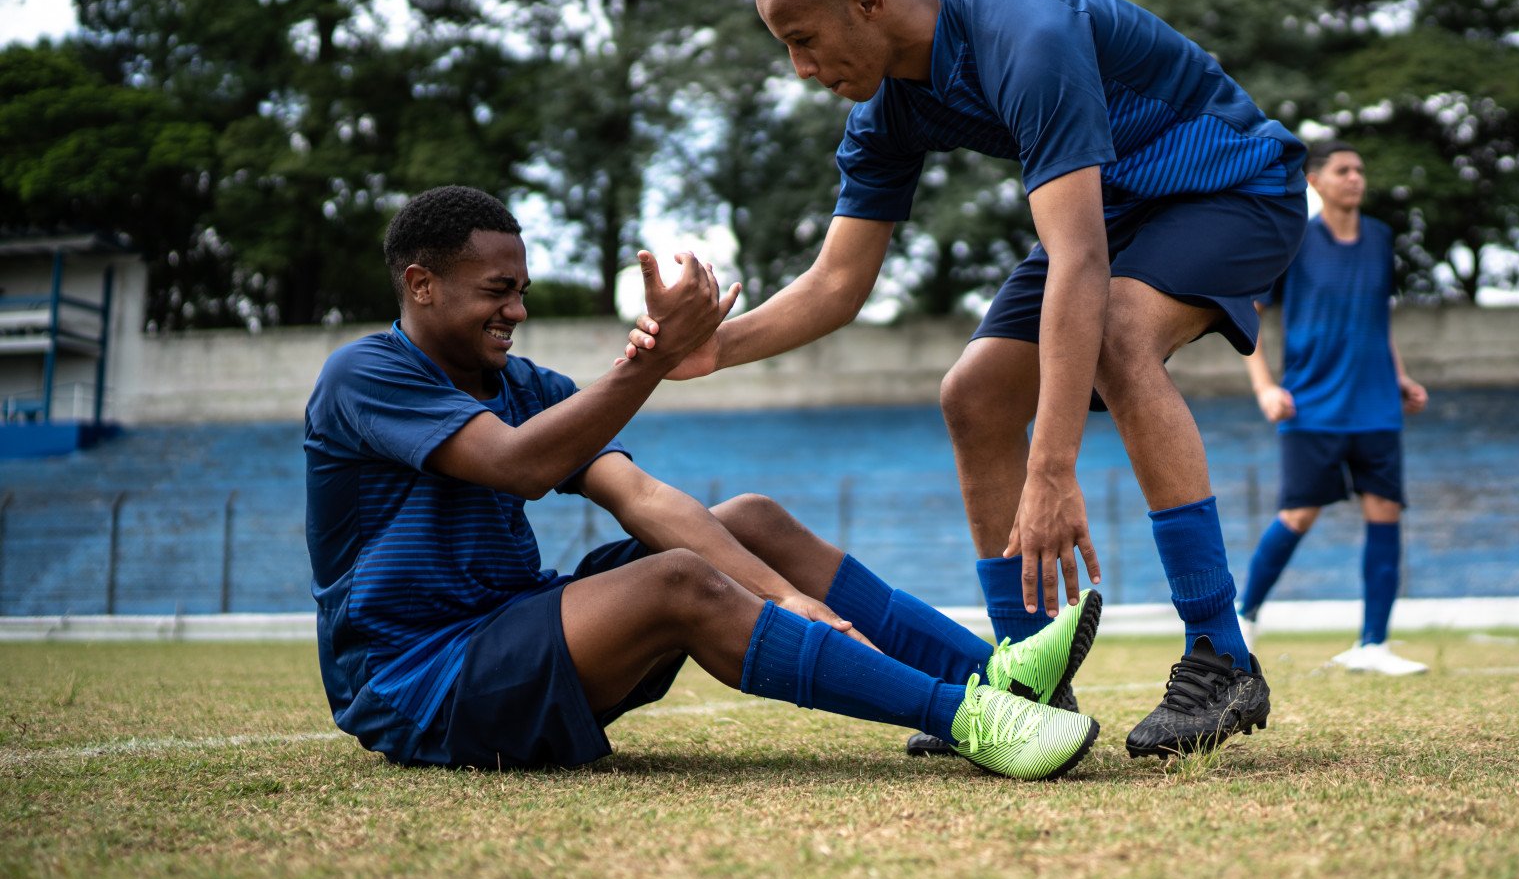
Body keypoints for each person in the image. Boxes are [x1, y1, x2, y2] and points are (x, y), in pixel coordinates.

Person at [631, 0, 1304, 757]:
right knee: (974, 395)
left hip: (1230, 186)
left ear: (868, 1)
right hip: (1117, 212)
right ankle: (1028, 677)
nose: (801, 69)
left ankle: (1221, 655)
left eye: (803, 39)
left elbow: (1080, 261)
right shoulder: (886, 108)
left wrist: (1052, 467)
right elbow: (839, 281)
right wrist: (718, 347)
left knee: (1115, 340)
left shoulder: (1028, 35)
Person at [304, 185, 1102, 779]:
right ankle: (970, 722)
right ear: (420, 285)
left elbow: (641, 497)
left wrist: (785, 594)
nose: (515, 310)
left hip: (509, 630)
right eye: (496, 291)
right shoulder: (366, 376)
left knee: (747, 520)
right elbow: (519, 464)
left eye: (521, 291)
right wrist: (647, 365)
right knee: (681, 579)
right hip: (421, 677)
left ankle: (989, 672)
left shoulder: (525, 384)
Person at [1236, 139, 1430, 674]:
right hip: (1312, 406)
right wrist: (1265, 388)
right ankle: (1243, 617)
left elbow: (1377, 319)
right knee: (1298, 514)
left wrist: (1400, 377)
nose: (1355, 178)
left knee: (1384, 512)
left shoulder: (1381, 239)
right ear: (1315, 181)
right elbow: (1248, 315)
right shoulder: (1293, 238)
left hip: (1375, 405)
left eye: (1360, 170)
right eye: (1343, 170)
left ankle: (1373, 645)